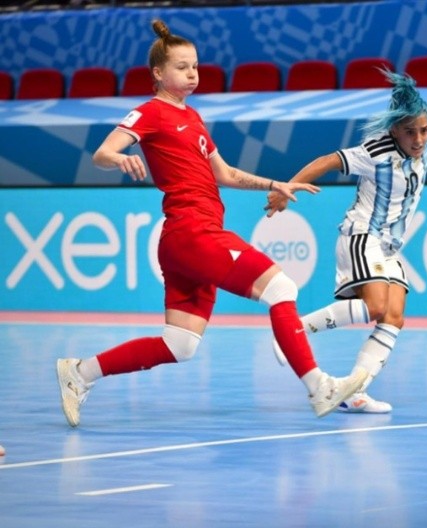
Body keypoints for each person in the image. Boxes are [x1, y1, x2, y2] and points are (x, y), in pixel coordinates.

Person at [56, 19, 367, 427]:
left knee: (180, 344)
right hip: (191, 232)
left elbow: (226, 174)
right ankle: (319, 386)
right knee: (282, 287)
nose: (192, 73)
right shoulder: (150, 113)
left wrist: (277, 183)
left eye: (196, 67)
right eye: (182, 67)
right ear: (158, 74)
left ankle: (80, 372)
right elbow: (102, 152)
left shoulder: (195, 118)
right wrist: (119, 158)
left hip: (185, 240)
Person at [266, 62, 427, 413]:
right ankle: (294, 331)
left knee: (394, 317)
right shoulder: (374, 152)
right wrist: (286, 189)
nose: (418, 139)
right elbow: (327, 160)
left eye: (421, 130)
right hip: (361, 235)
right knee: (376, 307)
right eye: (409, 132)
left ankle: (355, 391)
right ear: (395, 130)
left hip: (389, 247)